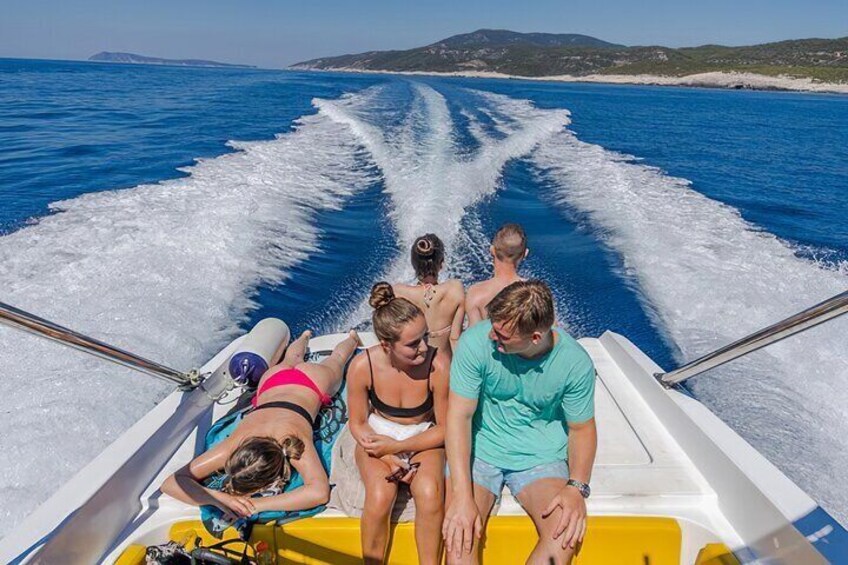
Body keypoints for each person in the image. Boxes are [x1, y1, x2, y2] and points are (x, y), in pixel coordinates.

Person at [442, 280, 597, 565]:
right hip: (480, 450)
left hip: (540, 456)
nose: (491, 336)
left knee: (563, 535)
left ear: (535, 337)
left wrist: (577, 487)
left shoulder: (576, 364)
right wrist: (462, 496)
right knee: (458, 539)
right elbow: (459, 417)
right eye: (493, 326)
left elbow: (581, 428)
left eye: (502, 335)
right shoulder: (474, 343)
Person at [161, 329, 360, 521]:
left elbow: (319, 492)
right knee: (337, 359)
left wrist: (254, 505)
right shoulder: (234, 445)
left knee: (300, 360)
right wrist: (223, 499)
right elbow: (170, 484)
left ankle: (306, 336)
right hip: (291, 382)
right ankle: (350, 337)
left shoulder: (292, 441)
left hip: (294, 382)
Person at [347, 282, 450, 565]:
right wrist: (389, 456)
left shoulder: (437, 366)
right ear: (385, 345)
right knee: (381, 495)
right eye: (413, 343)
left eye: (425, 337)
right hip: (377, 436)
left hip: (422, 436)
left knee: (429, 493)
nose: (424, 347)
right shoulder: (361, 367)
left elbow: (445, 428)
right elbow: (356, 423)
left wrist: (402, 446)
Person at [393, 234, 465, 356]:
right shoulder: (455, 289)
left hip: (413, 366)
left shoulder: (398, 292)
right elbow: (455, 338)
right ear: (441, 263)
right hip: (444, 366)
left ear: (413, 264)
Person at [465, 223, 528, 327]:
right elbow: (554, 337)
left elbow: (474, 340)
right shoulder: (537, 294)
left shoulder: (476, 293)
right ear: (525, 254)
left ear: (492, 250)